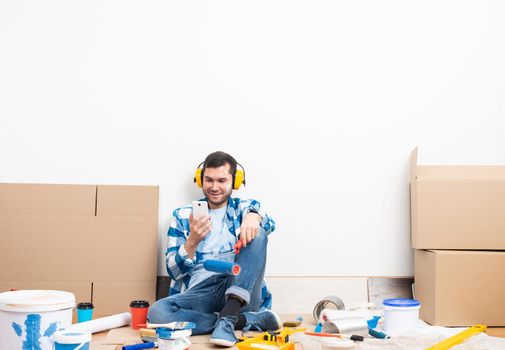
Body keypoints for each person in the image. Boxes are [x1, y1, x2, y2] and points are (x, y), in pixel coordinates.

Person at [148, 151, 280, 347]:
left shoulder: (245, 208)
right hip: (202, 292)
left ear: (235, 182)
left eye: (221, 180)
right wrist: (193, 240)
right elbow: (174, 273)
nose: (214, 187)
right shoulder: (182, 215)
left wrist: (254, 217)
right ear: (201, 180)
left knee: (258, 234)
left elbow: (269, 225)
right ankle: (242, 320)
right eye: (209, 180)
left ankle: (229, 316)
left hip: (239, 285)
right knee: (157, 313)